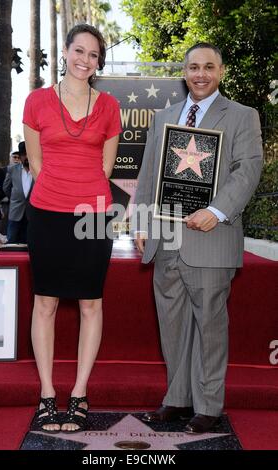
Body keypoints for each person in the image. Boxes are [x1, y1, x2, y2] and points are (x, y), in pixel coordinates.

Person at [134, 43, 263, 434]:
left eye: (209, 66)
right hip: (165, 239)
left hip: (212, 237)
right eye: (193, 67)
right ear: (184, 72)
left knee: (209, 326)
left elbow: (247, 169)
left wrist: (217, 211)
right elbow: (148, 173)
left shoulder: (242, 115)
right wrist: (141, 221)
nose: (200, 73)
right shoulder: (165, 117)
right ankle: (176, 398)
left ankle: (208, 406)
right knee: (172, 325)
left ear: (221, 71)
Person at [23, 23, 121, 434]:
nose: (85, 60)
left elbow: (106, 168)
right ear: (66, 52)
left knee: (90, 303)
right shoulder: (36, 102)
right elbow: (36, 163)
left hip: (93, 215)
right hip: (47, 213)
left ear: (99, 61)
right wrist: (60, 196)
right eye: (79, 51)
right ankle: (48, 393)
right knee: (44, 302)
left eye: (93, 55)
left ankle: (79, 392)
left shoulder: (110, 105)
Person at [3, 141, 33, 243]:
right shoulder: (11, 170)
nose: (27, 157)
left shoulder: (38, 170)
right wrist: (15, 198)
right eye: (25, 154)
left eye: (30, 153)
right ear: (20, 156)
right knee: (11, 239)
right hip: (15, 211)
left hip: (32, 212)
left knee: (29, 241)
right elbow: (6, 188)